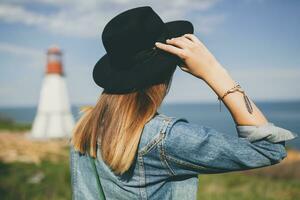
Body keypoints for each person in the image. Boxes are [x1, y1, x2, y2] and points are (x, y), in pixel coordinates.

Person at [69, 6, 298, 200]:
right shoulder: (164, 139)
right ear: (168, 71)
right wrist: (214, 71)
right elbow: (269, 149)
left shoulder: (84, 126)